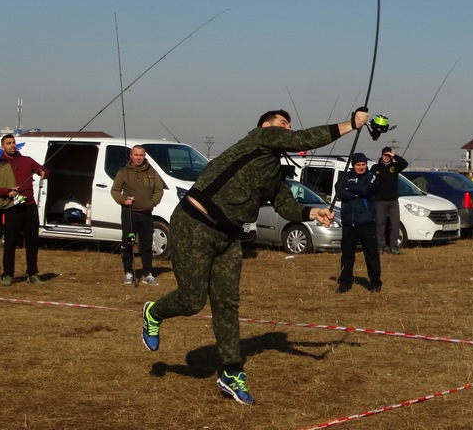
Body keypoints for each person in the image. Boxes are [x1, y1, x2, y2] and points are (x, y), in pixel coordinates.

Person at [141, 106, 369, 406]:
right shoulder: (258, 139)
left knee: (227, 304)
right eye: (283, 124)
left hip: (228, 237)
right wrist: (351, 124)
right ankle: (153, 313)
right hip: (194, 223)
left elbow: (285, 205)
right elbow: (303, 139)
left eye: (289, 126)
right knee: (192, 300)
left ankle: (231, 373)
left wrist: (313, 212)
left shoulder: (274, 172)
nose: (287, 130)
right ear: (266, 126)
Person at [0, 134, 49, 286]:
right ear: (3, 147)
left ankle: (32, 273)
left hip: (29, 206)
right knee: (10, 242)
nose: (12, 145)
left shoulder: (27, 161)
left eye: (13, 142)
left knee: (32, 242)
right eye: (8, 143)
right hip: (12, 208)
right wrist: (7, 191)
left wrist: (43, 173)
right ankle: (7, 274)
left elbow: (45, 171)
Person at [111, 145, 165, 286]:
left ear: (144, 156)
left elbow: (159, 189)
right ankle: (129, 272)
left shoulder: (152, 172)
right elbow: (115, 190)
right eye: (136, 155)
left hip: (146, 215)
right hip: (129, 214)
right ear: (131, 156)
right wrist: (123, 200)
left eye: (141, 155)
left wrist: (152, 202)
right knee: (128, 244)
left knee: (146, 245)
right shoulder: (123, 172)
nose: (138, 158)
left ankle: (148, 274)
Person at [335, 152, 382, 294]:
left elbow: (365, 189)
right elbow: (339, 191)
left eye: (363, 164)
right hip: (349, 223)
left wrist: (350, 189)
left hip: (367, 222)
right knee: (347, 254)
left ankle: (375, 283)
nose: (361, 167)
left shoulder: (371, 176)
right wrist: (356, 192)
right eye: (358, 165)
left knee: (371, 254)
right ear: (353, 165)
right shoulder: (346, 176)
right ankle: (345, 282)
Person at [371, 146, 408, 254]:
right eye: (385, 155)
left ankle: (393, 246)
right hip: (380, 201)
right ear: (381, 155)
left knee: (395, 224)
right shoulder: (375, 167)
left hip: (393, 201)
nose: (386, 157)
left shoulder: (395, 167)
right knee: (380, 224)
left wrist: (394, 156)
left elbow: (405, 163)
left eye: (388, 155)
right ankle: (379, 246)